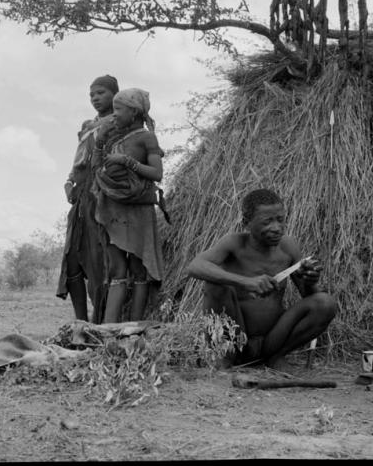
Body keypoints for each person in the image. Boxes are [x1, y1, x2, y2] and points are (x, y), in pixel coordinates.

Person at [186, 188, 337, 371]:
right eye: (267, 222)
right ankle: (223, 357)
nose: (276, 228)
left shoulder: (288, 247)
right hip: (234, 340)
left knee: (325, 303)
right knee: (215, 285)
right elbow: (195, 266)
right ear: (246, 223)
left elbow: (309, 296)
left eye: (280, 220)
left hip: (272, 340)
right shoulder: (234, 244)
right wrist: (244, 281)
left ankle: (275, 357)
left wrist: (311, 280)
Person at [92, 88, 165, 323]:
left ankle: (134, 326)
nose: (113, 115)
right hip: (112, 207)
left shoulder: (146, 138)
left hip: (137, 209)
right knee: (117, 269)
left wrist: (127, 161)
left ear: (133, 112)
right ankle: (108, 329)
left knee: (138, 268)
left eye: (117, 110)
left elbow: (156, 173)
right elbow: (97, 167)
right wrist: (101, 139)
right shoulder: (112, 136)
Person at [56, 75, 119, 324]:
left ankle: (97, 321)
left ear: (116, 93)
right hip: (81, 197)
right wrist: (68, 183)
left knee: (98, 262)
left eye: (100, 93)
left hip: (103, 196)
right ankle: (79, 323)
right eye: (91, 95)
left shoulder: (120, 122)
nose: (95, 98)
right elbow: (78, 161)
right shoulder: (86, 125)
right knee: (72, 260)